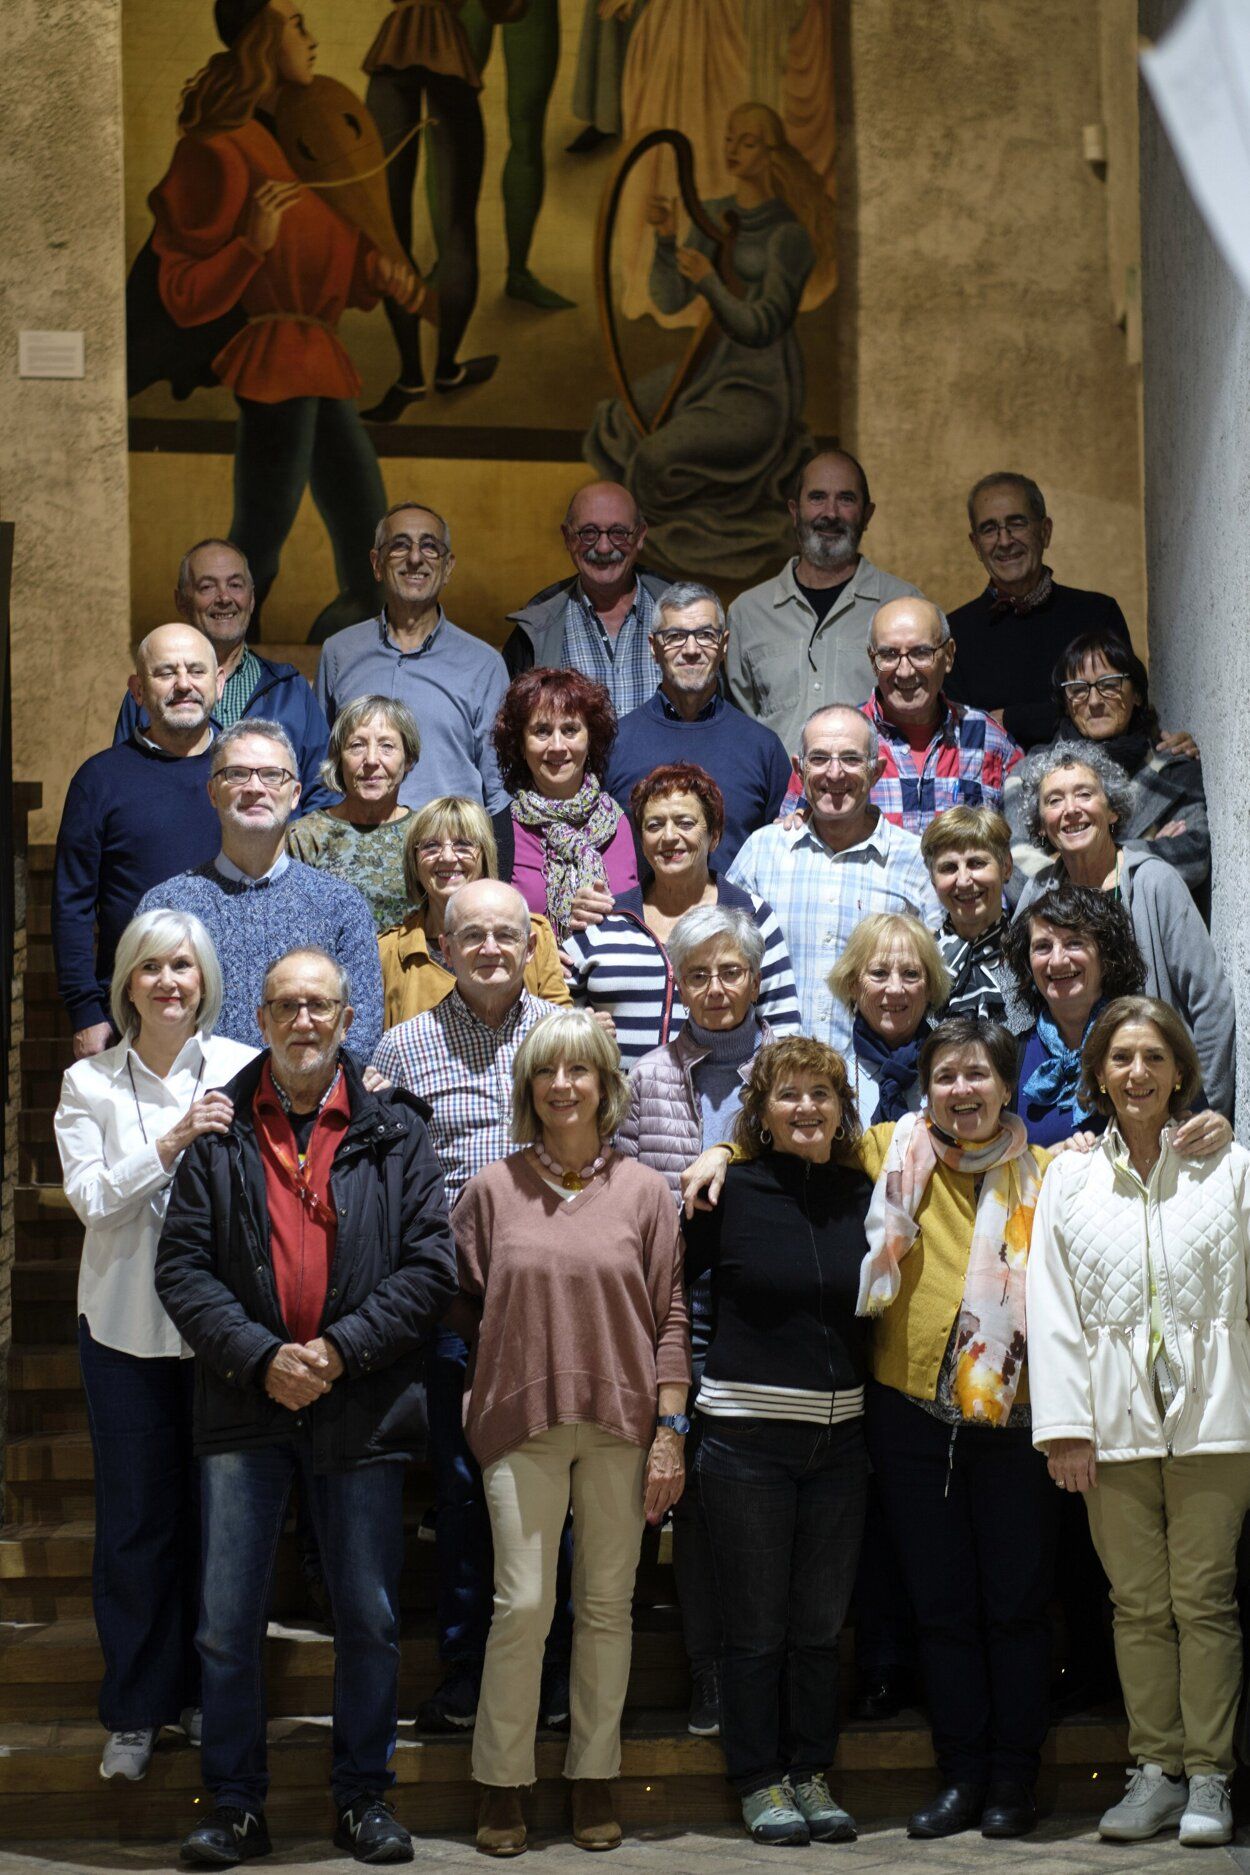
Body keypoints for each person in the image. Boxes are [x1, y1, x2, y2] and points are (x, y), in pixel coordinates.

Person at [154, 944, 456, 1867]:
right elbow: (182, 1268)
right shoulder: (219, 1128)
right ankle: (234, 1804)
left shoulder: (396, 1128)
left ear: (349, 1018)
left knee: (367, 1618)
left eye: (319, 1005)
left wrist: (336, 1350)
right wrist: (262, 1357)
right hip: (244, 1405)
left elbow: (430, 1267)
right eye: (286, 1004)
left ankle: (364, 1797)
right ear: (261, 1017)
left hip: (358, 1404)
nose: (303, 1020)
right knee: (226, 1623)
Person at [453, 1009, 689, 1855]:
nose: (563, 1085)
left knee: (607, 1606)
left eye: (579, 1070)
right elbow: (461, 1304)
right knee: (522, 1604)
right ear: (529, 1087)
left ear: (604, 1084)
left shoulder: (646, 1191)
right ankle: (502, 1781)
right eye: (547, 1071)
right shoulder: (491, 1191)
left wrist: (671, 1428)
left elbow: (670, 1314)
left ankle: (594, 1774)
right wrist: (486, 1380)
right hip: (521, 1421)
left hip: (623, 1423)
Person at [1028, 997, 1250, 1849]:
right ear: (1098, 1074)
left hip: (1216, 1420)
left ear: (1181, 1070)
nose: (1137, 1072)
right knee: (1138, 1604)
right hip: (1110, 1426)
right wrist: (1064, 1425)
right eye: (1121, 1056)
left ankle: (1210, 1774)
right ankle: (1155, 1770)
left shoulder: (1229, 1166)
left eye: (1155, 1056)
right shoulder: (1069, 1176)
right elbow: (1050, 1306)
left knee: (1205, 1601)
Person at [145, 0, 428, 644]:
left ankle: (340, 659)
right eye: (295, 23)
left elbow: (325, 254)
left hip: (317, 360)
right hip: (276, 361)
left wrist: (375, 273)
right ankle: (217, 664)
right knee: (258, 550)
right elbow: (182, 292)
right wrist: (250, 242)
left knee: (370, 556)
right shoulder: (219, 149)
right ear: (263, 39)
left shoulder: (305, 143)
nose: (310, 37)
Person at [54, 909, 255, 1785]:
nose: (169, 981)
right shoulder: (88, 1082)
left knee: (222, 1527)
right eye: (151, 967)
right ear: (127, 983)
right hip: (124, 1330)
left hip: (223, 1333)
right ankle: (137, 1708)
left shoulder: (244, 1066)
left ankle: (212, 1696)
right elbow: (95, 1201)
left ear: (204, 979)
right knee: (137, 1525)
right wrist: (171, 1142)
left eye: (183, 965)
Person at [370, 879, 570, 1735]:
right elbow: (383, 1181)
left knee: (554, 1495)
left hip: (557, 1312)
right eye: (472, 935)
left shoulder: (567, 1036)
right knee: (461, 1493)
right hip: (456, 1309)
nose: (490, 948)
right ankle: (465, 1670)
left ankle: (553, 1675)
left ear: (530, 946)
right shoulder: (403, 1047)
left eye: (506, 934)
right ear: (443, 948)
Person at [855, 1017, 1055, 1840]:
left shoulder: (1053, 1172)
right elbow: (786, 1131)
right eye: (945, 1075)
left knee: (1015, 1605)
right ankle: (962, 1774)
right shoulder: (888, 1150)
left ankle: (1013, 1778)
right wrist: (721, 1151)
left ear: (1007, 1085)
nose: (961, 1090)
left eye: (978, 1074)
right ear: (925, 1087)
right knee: (940, 1607)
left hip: (1018, 1421)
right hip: (911, 1417)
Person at [681, 1037, 870, 1846]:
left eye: (821, 1093)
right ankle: (758, 1778)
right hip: (744, 1444)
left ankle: (810, 1771)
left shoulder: (865, 1193)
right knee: (755, 1629)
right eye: (788, 1094)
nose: (806, 1107)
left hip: (841, 1447)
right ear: (760, 1111)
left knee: (818, 1629)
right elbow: (669, 1301)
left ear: (841, 1107)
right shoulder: (727, 1192)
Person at [615, 903, 775, 1740]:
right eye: (700, 974)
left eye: (731, 971)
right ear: (679, 983)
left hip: (763, 1309)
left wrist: (731, 1162)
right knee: (662, 1495)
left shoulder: (788, 1065)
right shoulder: (647, 1074)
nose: (716, 988)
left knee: (727, 1510)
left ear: (755, 978)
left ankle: (730, 1673)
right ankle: (638, 1677)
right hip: (673, 1304)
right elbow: (624, 1189)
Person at [585, 106, 840, 585]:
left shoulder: (788, 237)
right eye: (729, 138)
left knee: (653, 459)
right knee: (616, 418)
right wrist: (665, 241)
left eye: (747, 141)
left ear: (771, 154)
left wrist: (711, 284)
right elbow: (671, 297)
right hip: (709, 370)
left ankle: (660, 545)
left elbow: (762, 325)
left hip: (758, 389)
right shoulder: (717, 211)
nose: (733, 149)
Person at [1011, 744, 1234, 1116]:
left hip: (1153, 1100)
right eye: (1054, 800)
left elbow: (1211, 1003)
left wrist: (1200, 1109)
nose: (1070, 809)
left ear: (1112, 809)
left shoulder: (1153, 882)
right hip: (1071, 1100)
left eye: (1085, 794)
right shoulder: (1040, 891)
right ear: (1040, 824)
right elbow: (1016, 989)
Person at [137, 721, 383, 1056]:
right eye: (237, 774)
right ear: (213, 792)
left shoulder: (340, 905)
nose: (254, 787)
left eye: (271, 775)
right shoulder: (166, 905)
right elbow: (146, 1027)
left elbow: (359, 1036)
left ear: (295, 794)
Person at [728, 705, 941, 1063]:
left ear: (876, 771)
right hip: (773, 1077)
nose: (835, 772)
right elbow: (722, 958)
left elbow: (938, 977)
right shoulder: (762, 852)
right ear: (799, 769)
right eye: (820, 758)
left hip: (875, 1080)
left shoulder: (913, 861)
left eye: (851, 759)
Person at [54, 624, 223, 1060]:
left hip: (234, 1010)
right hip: (131, 1012)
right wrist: (84, 1010)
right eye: (166, 672)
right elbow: (72, 905)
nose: (183, 684)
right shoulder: (99, 780)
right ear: (138, 691)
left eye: (196, 671)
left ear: (219, 683)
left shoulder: (244, 774)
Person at [562, 763, 802, 1069]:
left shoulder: (751, 915)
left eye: (685, 823)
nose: (669, 836)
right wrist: (579, 1027)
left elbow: (784, 1032)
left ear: (714, 836)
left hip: (725, 1098)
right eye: (654, 825)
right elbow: (551, 1016)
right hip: (617, 1098)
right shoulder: (604, 918)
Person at [315, 501, 510, 813]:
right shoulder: (339, 652)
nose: (415, 558)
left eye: (430, 546)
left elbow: (500, 790)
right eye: (400, 545)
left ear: (448, 567)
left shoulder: (484, 665)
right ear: (377, 564)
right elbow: (322, 770)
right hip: (357, 840)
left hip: (450, 841)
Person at [112, 538, 334, 809]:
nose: (224, 598)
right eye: (207, 586)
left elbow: (324, 794)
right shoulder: (151, 695)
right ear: (181, 601)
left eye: (235, 585)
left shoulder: (291, 690)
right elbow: (122, 787)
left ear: (252, 598)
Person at [726, 450, 922, 754]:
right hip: (778, 787)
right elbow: (738, 730)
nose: (831, 513)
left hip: (879, 785)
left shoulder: (906, 607)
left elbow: (923, 719)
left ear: (867, 515)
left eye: (846, 499)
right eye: (817, 497)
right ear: (794, 511)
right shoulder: (747, 613)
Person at [359, 0, 496, 422]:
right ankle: (446, 368)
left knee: (390, 229)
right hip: (449, 54)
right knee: (456, 228)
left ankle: (412, 377)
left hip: (394, 50)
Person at [1005, 629, 1209, 901]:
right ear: (1066, 703)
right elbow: (1017, 877)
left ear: (1137, 694)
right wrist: (1142, 853)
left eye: (1110, 684)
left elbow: (1194, 856)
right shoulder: (1030, 773)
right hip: (1060, 928)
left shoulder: (1173, 769)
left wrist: (1066, 861)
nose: (1094, 701)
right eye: (1078, 689)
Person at [604, 581, 792, 870]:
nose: (691, 649)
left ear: (724, 645)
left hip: (736, 901)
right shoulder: (615, 743)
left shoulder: (762, 748)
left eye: (705, 635)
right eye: (676, 636)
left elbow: (782, 854)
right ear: (654, 647)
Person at [945, 473, 1132, 750]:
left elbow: (1121, 710)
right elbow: (961, 736)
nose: (1004, 540)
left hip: (1090, 774)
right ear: (976, 545)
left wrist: (1010, 718)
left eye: (1016, 523)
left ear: (1045, 532)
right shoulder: (954, 633)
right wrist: (1061, 712)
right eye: (989, 529)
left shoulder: (1098, 614)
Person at [379, 797, 568, 1026]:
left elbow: (562, 1028)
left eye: (463, 844)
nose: (447, 857)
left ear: (485, 854)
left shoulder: (531, 932)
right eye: (431, 846)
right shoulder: (388, 952)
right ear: (414, 860)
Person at [491, 666, 639, 938]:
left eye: (570, 730)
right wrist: (542, 954)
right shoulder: (496, 835)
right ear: (520, 744)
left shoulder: (629, 826)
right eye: (542, 731)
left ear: (591, 738)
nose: (557, 746)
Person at [501, 481, 668, 714]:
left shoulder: (685, 617)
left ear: (640, 536)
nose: (603, 548)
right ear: (568, 537)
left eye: (618, 533)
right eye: (588, 533)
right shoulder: (535, 632)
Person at [1003, 882, 1148, 1148]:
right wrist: (1045, 1162)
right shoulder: (1009, 1058)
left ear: (1106, 955)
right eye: (1043, 947)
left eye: (1074, 943)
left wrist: (1214, 1129)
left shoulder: (1150, 1041)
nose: (1057, 960)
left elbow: (1189, 1130)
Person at [863, 597, 1022, 832]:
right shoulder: (837, 739)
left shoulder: (989, 739)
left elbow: (1027, 841)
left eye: (920, 653)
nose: (905, 671)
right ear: (872, 661)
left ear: (948, 655)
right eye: (889, 655)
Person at [285, 694, 419, 929]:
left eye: (387, 746)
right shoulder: (305, 837)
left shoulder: (425, 833)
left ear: (408, 759)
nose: (371, 760)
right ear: (338, 758)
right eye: (357, 745)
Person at [828, 913, 951, 1127]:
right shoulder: (830, 1081)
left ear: (930, 987)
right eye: (879, 973)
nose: (895, 988)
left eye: (910, 974)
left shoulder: (954, 1078)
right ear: (852, 984)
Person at [921, 807, 1020, 1026]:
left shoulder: (1033, 956)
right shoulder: (919, 963)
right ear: (933, 880)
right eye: (949, 868)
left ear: (1006, 866)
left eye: (977, 863)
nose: (964, 880)